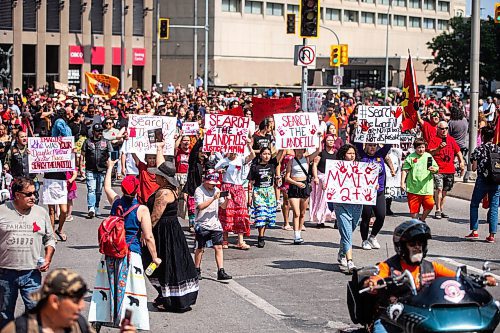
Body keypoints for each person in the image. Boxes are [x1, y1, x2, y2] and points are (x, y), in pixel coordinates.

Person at [364, 220, 497, 333]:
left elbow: (457, 277)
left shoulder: (430, 267)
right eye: (412, 244)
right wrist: (372, 283)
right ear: (401, 247)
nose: (417, 247)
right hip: (393, 318)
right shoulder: (389, 266)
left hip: (421, 315)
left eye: (420, 243)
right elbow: (377, 277)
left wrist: (478, 280)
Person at [88, 160, 160, 330]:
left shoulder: (116, 203)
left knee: (106, 287)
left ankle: (99, 319)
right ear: (137, 190)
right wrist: (155, 257)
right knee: (132, 290)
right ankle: (131, 324)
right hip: (131, 253)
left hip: (111, 252)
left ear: (122, 189)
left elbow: (107, 187)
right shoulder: (141, 209)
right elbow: (148, 236)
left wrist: (110, 167)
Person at [144, 144, 199, 312]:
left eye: (158, 176)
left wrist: (146, 233)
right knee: (170, 263)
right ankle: (166, 296)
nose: (155, 177)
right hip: (171, 230)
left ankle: (168, 298)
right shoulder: (172, 188)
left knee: (159, 262)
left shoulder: (163, 194)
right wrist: (160, 148)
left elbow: (155, 216)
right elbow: (164, 166)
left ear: (164, 179)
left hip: (163, 232)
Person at [1, 268, 137, 333]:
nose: (82, 306)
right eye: (76, 301)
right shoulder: (18, 330)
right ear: (54, 301)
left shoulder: (79, 324)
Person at [0, 177, 55, 330]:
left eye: (35, 193)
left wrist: (47, 258)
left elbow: (50, 239)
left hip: (32, 273)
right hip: (5, 273)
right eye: (29, 194)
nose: (34, 197)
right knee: (4, 314)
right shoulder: (2, 211)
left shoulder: (41, 213)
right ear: (17, 195)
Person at [215, 140, 255, 250]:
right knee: (226, 212)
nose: (233, 153)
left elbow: (252, 156)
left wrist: (248, 144)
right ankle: (225, 239)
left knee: (241, 213)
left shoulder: (241, 159)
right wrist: (219, 171)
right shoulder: (223, 161)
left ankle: (240, 240)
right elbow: (213, 171)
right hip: (226, 187)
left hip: (238, 187)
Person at [193, 172, 233, 280]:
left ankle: (221, 270)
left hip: (215, 223)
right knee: (200, 248)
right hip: (202, 223)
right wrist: (213, 199)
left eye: (215, 184)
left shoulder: (217, 190)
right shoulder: (199, 190)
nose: (213, 186)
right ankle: (197, 269)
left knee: (218, 247)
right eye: (211, 184)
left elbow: (223, 206)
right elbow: (200, 206)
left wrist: (227, 199)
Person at [330, 144, 362, 273]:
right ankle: (350, 262)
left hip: (356, 204)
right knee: (347, 232)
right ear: (344, 155)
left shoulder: (361, 168)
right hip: (341, 204)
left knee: (351, 229)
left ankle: (341, 253)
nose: (352, 156)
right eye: (349, 153)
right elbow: (331, 182)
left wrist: (372, 187)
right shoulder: (335, 168)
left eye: (353, 153)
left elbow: (366, 182)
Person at [356, 143, 391, 251]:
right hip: (366, 193)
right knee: (366, 217)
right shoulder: (362, 156)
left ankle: (373, 236)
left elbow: (388, 144)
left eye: (374, 145)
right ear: (366, 146)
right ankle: (364, 240)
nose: (372, 148)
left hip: (379, 192)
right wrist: (358, 127)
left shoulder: (380, 154)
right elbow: (357, 142)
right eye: (370, 145)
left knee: (381, 216)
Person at [466, 127, 499, 243]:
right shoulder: (498, 149)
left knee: (474, 204)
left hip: (482, 181)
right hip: (496, 181)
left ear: (483, 136)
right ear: (493, 137)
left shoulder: (479, 149)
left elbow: (474, 168)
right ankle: (492, 235)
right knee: (494, 207)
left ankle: (474, 231)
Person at [427, 121, 465, 219]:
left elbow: (458, 151)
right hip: (438, 169)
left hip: (449, 170)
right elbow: (430, 153)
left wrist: (461, 162)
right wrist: (439, 148)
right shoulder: (434, 139)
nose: (444, 131)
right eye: (442, 129)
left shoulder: (451, 140)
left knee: (444, 191)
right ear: (438, 129)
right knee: (439, 189)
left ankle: (441, 209)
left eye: (446, 128)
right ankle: (438, 210)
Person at [285, 145, 321, 244]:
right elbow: (287, 177)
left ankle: (299, 232)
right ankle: (296, 235)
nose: (299, 151)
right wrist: (296, 183)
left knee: (302, 213)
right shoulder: (291, 161)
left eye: (301, 149)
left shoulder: (307, 159)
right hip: (294, 186)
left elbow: (319, 150)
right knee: (296, 212)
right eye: (297, 149)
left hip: (304, 186)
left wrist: (318, 137)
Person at [247, 147, 283, 248]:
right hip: (259, 192)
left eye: (268, 154)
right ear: (261, 155)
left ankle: (262, 233)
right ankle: (261, 237)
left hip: (270, 192)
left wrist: (282, 141)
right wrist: (250, 196)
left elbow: (281, 153)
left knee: (267, 215)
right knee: (261, 214)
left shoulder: (272, 164)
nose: (267, 156)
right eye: (264, 154)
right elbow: (250, 182)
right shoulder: (255, 167)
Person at [401, 139, 439, 222]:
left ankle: (422, 219)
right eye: (419, 147)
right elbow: (405, 170)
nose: (421, 149)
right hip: (413, 188)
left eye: (423, 147)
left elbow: (436, 168)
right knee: (414, 211)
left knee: (430, 204)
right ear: (415, 148)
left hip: (426, 188)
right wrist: (402, 183)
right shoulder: (411, 157)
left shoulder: (428, 156)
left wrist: (434, 169)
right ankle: (416, 224)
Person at [81, 123, 113, 218]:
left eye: (101, 131)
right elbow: (82, 155)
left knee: (98, 191)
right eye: (98, 131)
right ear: (93, 132)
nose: (99, 133)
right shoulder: (87, 142)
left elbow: (110, 155)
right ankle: (91, 208)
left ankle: (96, 207)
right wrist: (81, 167)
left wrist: (111, 168)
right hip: (90, 169)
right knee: (91, 189)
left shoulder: (106, 142)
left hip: (102, 169)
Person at [311, 134, 341, 228]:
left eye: (332, 140)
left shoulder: (337, 154)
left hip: (333, 178)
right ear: (325, 142)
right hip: (322, 177)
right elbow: (315, 165)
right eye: (329, 140)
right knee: (322, 200)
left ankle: (336, 219)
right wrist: (316, 177)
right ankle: (320, 220)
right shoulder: (321, 153)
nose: (331, 141)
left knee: (335, 199)